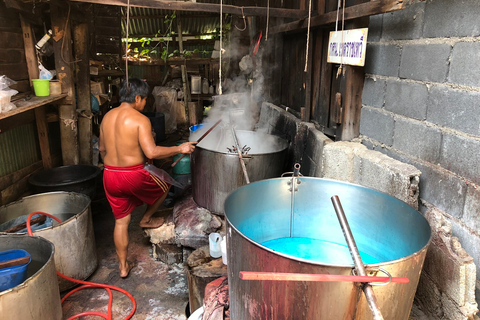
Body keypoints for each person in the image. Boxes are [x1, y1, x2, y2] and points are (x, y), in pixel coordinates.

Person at [99, 78, 196, 277]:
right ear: (137, 98)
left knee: (121, 222)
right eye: (145, 99)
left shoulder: (107, 117)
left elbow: (101, 148)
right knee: (166, 184)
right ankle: (146, 218)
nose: (145, 104)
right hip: (133, 174)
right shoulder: (140, 119)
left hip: (109, 175)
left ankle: (123, 267)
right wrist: (180, 148)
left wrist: (113, 166)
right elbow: (151, 152)